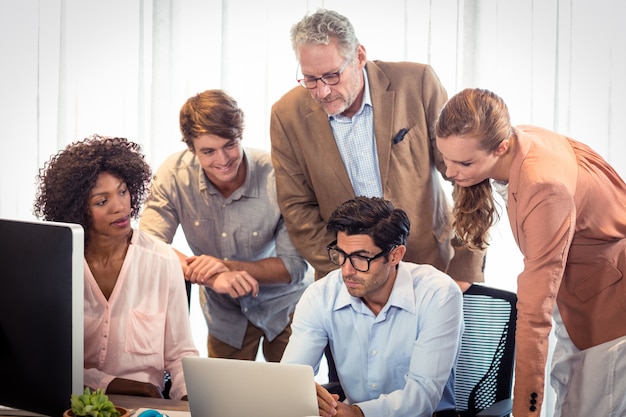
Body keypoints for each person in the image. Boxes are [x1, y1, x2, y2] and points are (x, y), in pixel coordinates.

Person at [434, 87, 626, 417]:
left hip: (609, 312)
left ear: (501, 147)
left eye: (464, 162)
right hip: (577, 300)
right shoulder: (519, 140)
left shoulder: (543, 185)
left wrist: (525, 411)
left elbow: (534, 314)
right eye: (444, 158)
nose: (450, 172)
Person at [270, 8, 485, 289]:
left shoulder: (417, 83)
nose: (322, 91)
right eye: (310, 79)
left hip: (433, 268)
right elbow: (297, 209)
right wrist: (353, 265)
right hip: (346, 281)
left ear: (359, 57)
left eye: (332, 76)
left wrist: (466, 265)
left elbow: (467, 177)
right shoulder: (286, 115)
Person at [140, 89, 309, 362]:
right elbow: (148, 246)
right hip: (225, 314)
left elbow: (294, 266)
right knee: (226, 400)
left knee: (290, 398)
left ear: (240, 134)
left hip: (285, 308)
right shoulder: (173, 176)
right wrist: (212, 277)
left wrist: (224, 266)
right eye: (208, 151)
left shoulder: (279, 176)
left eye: (229, 144)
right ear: (191, 148)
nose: (222, 160)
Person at [33, 135, 198, 400]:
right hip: (70, 400)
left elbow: (180, 356)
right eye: (102, 201)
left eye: (123, 191)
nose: (120, 207)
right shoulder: (59, 263)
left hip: (143, 405)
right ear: (78, 209)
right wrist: (109, 383)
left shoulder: (163, 261)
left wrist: (190, 401)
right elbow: (45, 355)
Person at [281, 196, 464, 417]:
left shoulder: (438, 294)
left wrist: (358, 413)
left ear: (395, 255)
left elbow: (423, 396)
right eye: (341, 255)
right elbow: (290, 379)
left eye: (361, 258)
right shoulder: (320, 295)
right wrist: (315, 401)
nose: (347, 270)